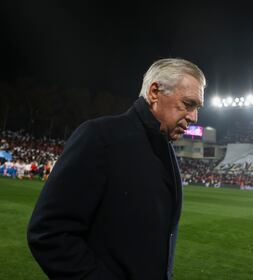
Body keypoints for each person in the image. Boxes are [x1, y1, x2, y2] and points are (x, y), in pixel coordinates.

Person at [27, 58, 206, 279]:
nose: (194, 117)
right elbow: (49, 233)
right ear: (154, 93)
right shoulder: (100, 137)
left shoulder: (165, 150)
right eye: (188, 104)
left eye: (197, 108)